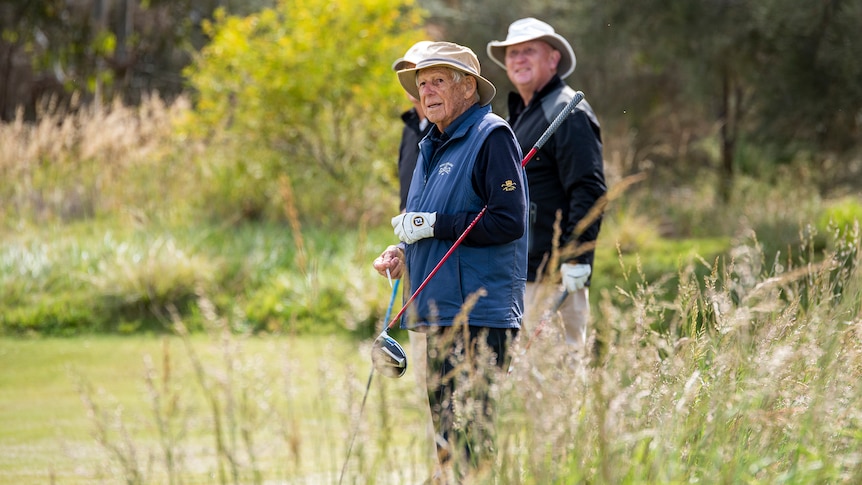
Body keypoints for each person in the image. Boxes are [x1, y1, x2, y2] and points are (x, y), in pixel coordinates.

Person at [373, 41, 528, 480]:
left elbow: (507, 221)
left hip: (480, 313)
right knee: (445, 436)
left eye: (438, 81)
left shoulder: (491, 136)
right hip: (440, 310)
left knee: (472, 435)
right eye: (421, 84)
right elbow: (435, 220)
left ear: (467, 89)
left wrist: (432, 226)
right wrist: (404, 251)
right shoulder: (431, 144)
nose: (427, 92)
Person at [487, 18, 606, 351]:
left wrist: (576, 257)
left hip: (554, 277)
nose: (518, 59)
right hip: (520, 271)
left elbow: (589, 190)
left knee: (557, 384)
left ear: (553, 59)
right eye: (512, 53)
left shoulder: (568, 112)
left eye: (529, 51)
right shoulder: (522, 114)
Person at [392, 41, 435, 212]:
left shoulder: (445, 127)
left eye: (417, 72)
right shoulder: (408, 128)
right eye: (406, 73)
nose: (410, 80)